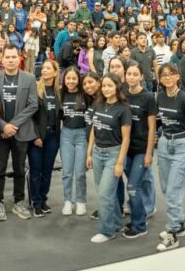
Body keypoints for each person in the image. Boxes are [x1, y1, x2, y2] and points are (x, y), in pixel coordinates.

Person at [0, 45, 39, 220]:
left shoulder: (29, 78)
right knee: (0, 169)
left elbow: (33, 105)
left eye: (13, 57)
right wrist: (3, 126)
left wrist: (12, 125)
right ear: (2, 59)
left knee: (19, 168)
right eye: (7, 57)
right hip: (0, 133)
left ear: (19, 58)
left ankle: (19, 202)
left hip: (20, 132)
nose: (10, 60)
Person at [154, 62, 185, 252]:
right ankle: (179, 223)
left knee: (174, 190)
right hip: (164, 144)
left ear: (177, 76)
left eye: (170, 74)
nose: (167, 78)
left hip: (182, 144)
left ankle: (172, 233)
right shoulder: (160, 97)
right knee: (166, 188)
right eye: (163, 75)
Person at [86, 74, 131, 243]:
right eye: (104, 86)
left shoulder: (123, 109)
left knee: (105, 194)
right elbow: (93, 130)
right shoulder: (99, 104)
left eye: (109, 86)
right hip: (98, 152)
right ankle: (118, 223)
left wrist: (120, 162)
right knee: (104, 193)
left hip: (114, 154)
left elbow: (126, 138)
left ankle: (106, 231)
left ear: (117, 87)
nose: (106, 89)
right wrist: (89, 153)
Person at [122, 63, 157, 238]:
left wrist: (149, 153)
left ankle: (139, 225)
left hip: (141, 149)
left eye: (135, 74)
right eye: (129, 74)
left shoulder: (148, 97)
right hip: (125, 149)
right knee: (133, 185)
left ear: (141, 76)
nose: (132, 77)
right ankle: (138, 217)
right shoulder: (123, 95)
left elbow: (152, 128)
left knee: (133, 186)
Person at [27, 60, 61, 218]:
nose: (44, 70)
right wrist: (35, 136)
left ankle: (43, 199)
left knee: (47, 171)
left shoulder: (59, 91)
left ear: (55, 72)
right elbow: (29, 116)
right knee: (36, 171)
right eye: (43, 68)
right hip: (37, 137)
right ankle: (36, 202)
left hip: (53, 136)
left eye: (48, 68)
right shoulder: (35, 88)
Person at [59, 67, 90, 216]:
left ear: (79, 79)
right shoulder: (61, 94)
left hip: (82, 135)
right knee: (67, 172)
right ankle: (67, 201)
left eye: (74, 78)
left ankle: (81, 201)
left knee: (80, 172)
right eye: (68, 78)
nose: (71, 81)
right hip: (66, 134)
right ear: (64, 80)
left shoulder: (84, 95)